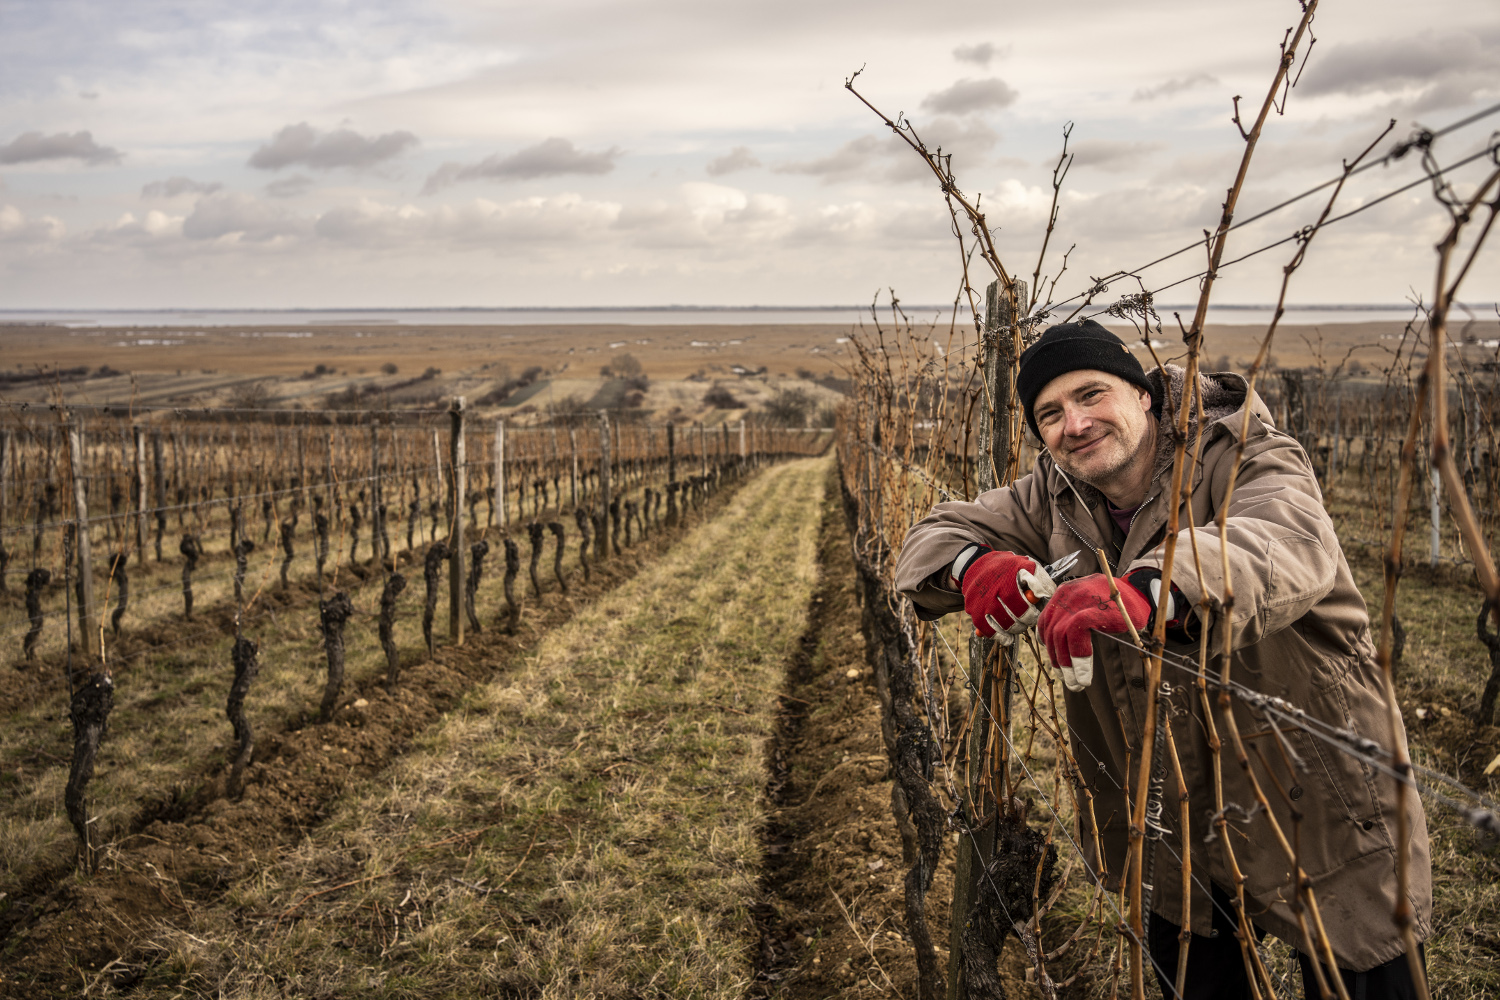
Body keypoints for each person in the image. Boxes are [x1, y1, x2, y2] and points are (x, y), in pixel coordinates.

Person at [893, 320, 1431, 1000]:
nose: (1076, 423)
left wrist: (1154, 587)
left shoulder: (1243, 453)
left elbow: (1282, 540)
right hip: (1166, 806)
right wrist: (973, 566)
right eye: (1050, 414)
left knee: (1365, 971)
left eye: (1092, 395)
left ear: (1145, 395)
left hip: (1312, 787)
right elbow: (928, 541)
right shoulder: (1057, 494)